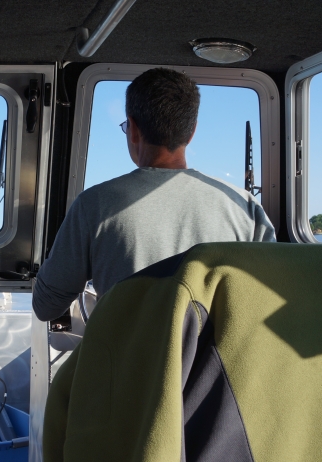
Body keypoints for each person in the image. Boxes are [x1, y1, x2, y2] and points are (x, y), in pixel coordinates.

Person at [33, 67, 276, 321]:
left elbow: (45, 307)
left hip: (130, 361)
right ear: (192, 131)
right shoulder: (245, 207)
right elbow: (268, 301)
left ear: (134, 129)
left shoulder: (93, 205)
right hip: (217, 361)